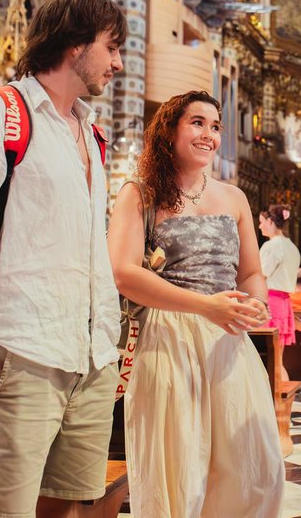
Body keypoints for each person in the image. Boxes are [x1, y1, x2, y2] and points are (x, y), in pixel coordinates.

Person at [0, 0, 125, 518]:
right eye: (111, 47)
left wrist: (109, 343)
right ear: (75, 43)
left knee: (61, 509)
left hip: (89, 357)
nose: (118, 62)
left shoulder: (91, 134)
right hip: (20, 351)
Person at [107, 90, 283, 518]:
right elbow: (124, 273)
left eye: (216, 126)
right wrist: (206, 307)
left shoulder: (234, 197)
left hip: (228, 341)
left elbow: (250, 273)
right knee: (178, 469)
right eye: (197, 123)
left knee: (250, 469)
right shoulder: (140, 194)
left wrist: (255, 303)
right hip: (167, 340)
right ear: (169, 131)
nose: (209, 134)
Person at [259, 203, 301, 379]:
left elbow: (260, 275)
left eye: (262, 222)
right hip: (283, 302)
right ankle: (281, 401)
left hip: (271, 302)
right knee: (277, 358)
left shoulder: (272, 246)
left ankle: (277, 401)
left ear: (270, 221)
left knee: (266, 359)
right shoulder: (291, 246)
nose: (260, 226)